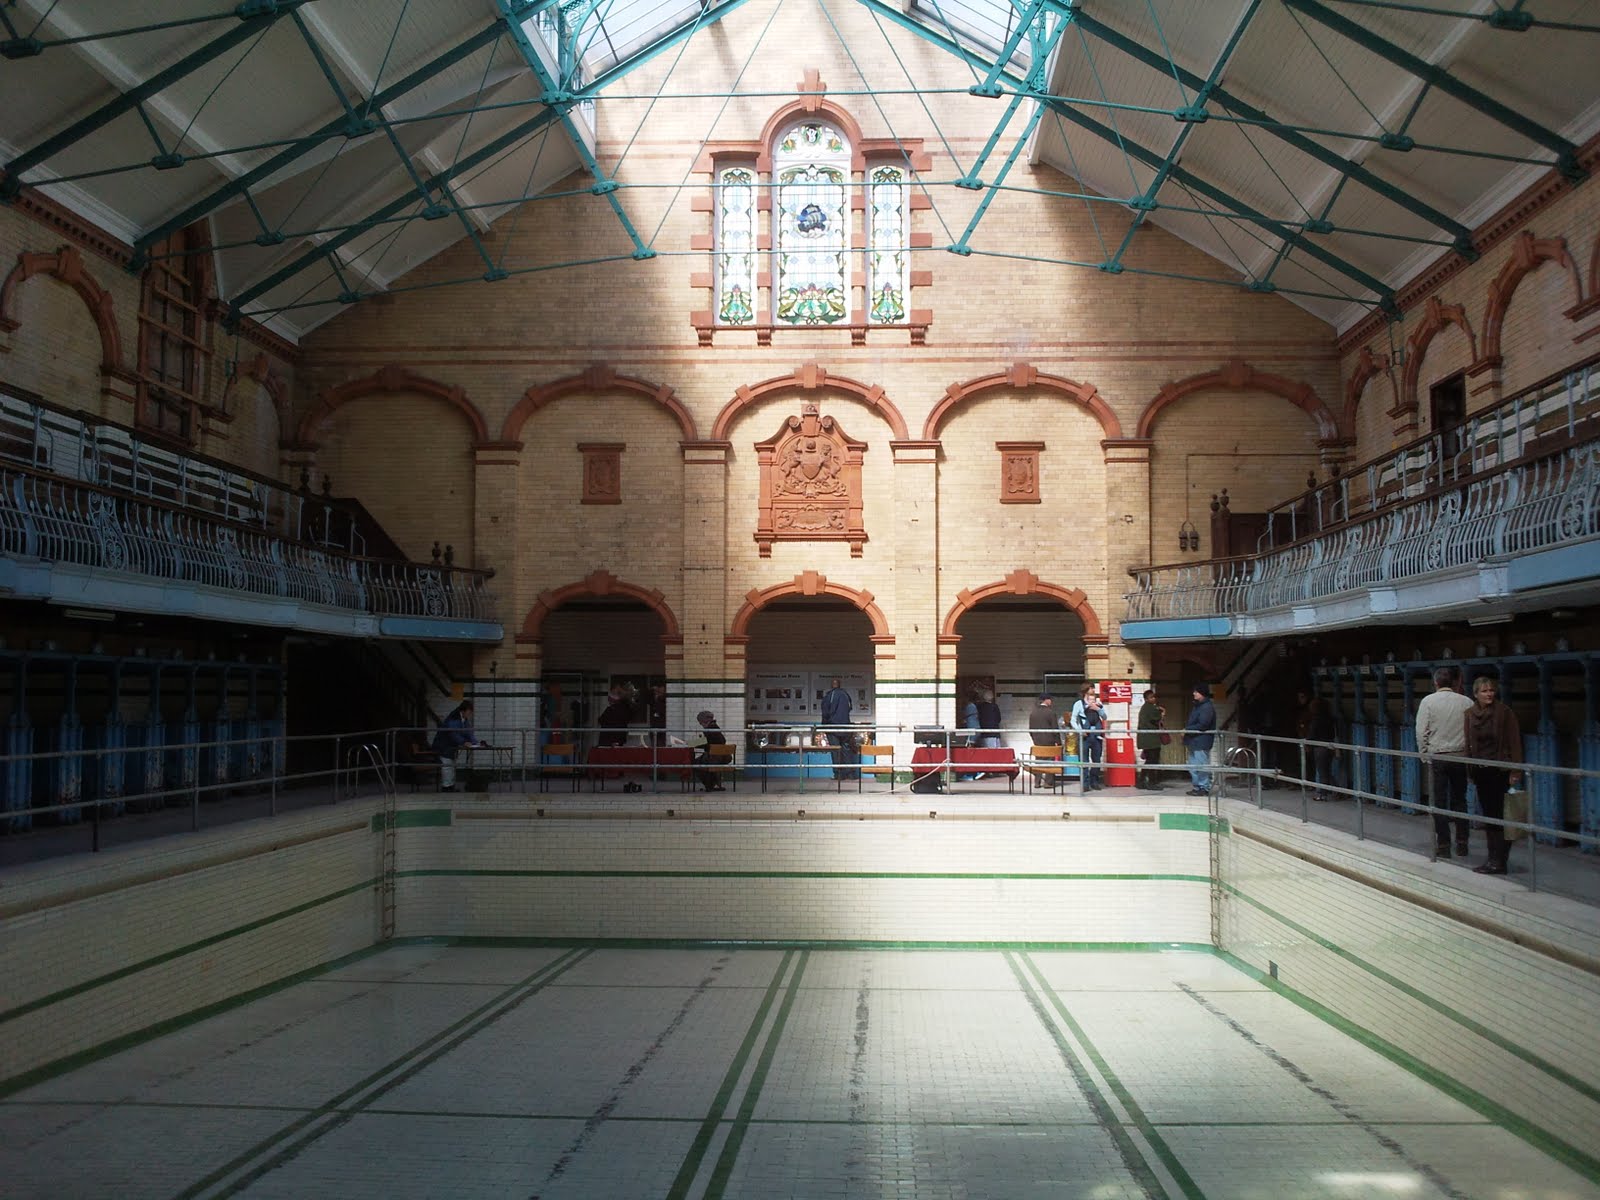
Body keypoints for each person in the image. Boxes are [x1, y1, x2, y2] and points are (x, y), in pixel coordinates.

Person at [1463, 675, 1523, 876]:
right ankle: (1494, 859)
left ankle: (1499, 861)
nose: (1489, 694)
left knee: (1500, 816)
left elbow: (1515, 742)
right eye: (1484, 691)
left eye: (1491, 690)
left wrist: (1515, 771)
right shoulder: (1469, 714)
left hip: (1500, 771)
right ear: (1476, 694)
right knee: (1489, 816)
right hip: (1481, 771)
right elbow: (1468, 743)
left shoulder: (1504, 712)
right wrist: (1470, 769)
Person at [1414, 667, 1475, 860]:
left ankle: (1444, 845)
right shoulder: (1467, 702)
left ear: (1436, 683)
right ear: (1455, 682)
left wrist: (1424, 755)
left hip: (1438, 757)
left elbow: (1421, 731)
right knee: (1460, 800)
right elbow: (1472, 731)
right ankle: (1463, 844)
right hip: (1460, 757)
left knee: (1439, 802)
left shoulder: (1428, 701)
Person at [431, 700, 482, 791]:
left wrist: (475, 742)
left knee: (451, 766)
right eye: (469, 712)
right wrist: (464, 742)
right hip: (444, 746)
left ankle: (450, 786)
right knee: (447, 766)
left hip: (449, 746)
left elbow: (468, 732)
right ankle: (447, 788)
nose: (470, 714)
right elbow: (453, 733)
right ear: (463, 711)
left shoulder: (462, 719)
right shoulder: (453, 719)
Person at [1296, 689, 1337, 800]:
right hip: (1330, 745)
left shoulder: (1316, 719)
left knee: (1322, 771)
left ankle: (1322, 794)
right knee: (1327, 770)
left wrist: (1306, 741)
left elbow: (1312, 734)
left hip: (1320, 747)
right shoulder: (1330, 718)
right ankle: (1337, 791)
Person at [819, 676, 857, 779]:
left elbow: (826, 712)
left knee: (836, 751)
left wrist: (824, 725)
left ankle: (838, 774)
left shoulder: (830, 695)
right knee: (846, 749)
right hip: (845, 726)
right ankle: (850, 774)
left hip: (833, 728)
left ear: (832, 685)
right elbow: (850, 708)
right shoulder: (846, 695)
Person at [1182, 684, 1216, 796]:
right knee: (1193, 766)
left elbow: (1203, 724)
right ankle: (1197, 787)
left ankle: (1204, 787)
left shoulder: (1206, 707)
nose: (1194, 693)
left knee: (1201, 766)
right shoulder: (1198, 706)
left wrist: (1187, 730)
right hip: (1194, 741)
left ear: (1202, 693)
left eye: (1196, 692)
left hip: (1201, 741)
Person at [1135, 689, 1166, 789]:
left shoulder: (1145, 708)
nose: (1153, 699)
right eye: (1151, 697)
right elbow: (1157, 719)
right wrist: (1162, 713)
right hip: (1151, 740)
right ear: (1146, 699)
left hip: (1146, 739)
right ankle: (1151, 783)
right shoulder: (1150, 708)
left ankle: (1142, 781)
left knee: (1149, 760)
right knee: (1153, 761)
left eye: (1154, 697)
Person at [1029, 694, 1062, 787]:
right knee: (1049, 761)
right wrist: (1059, 742)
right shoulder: (1050, 713)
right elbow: (1055, 729)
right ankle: (1048, 782)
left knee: (1038, 761)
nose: (1051, 701)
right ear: (1046, 700)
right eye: (1050, 699)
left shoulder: (1033, 713)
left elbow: (1030, 729)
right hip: (1049, 741)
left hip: (1037, 741)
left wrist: (1034, 739)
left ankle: (1037, 782)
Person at [693, 709, 730, 791]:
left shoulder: (710, 730)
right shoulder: (716, 728)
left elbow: (706, 743)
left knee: (695, 764)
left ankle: (709, 785)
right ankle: (714, 784)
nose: (700, 724)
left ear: (705, 721)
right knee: (704, 761)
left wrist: (691, 744)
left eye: (701, 722)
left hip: (714, 757)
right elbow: (721, 741)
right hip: (724, 757)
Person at [1077, 691, 1106, 790]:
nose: (1092, 702)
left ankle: (1094, 782)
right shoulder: (1082, 708)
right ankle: (1085, 784)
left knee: (1096, 760)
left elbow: (1105, 716)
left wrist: (1098, 709)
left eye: (1093, 700)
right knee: (1084, 761)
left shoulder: (1099, 708)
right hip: (1085, 736)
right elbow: (1076, 718)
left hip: (1096, 736)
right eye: (1090, 700)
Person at [973, 688, 1003, 779]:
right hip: (995, 732)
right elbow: (999, 719)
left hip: (984, 732)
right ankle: (995, 770)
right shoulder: (995, 707)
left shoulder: (980, 707)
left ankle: (987, 770)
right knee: (995, 752)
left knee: (986, 752)